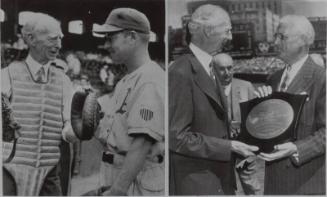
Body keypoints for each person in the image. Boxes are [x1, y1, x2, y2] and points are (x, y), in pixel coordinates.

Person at [169, 4, 258, 195]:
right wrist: (228, 147)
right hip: (197, 185)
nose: (231, 37)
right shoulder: (180, 72)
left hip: (219, 181)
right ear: (208, 31)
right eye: (227, 31)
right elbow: (177, 138)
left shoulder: (209, 67)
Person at [1, 13, 77, 195]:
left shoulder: (64, 81)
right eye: (52, 39)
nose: (58, 45)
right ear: (31, 39)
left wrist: (76, 129)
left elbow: (69, 128)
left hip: (49, 172)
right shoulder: (7, 75)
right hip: (9, 170)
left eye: (60, 39)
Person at [92, 8, 165, 196]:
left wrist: (117, 190)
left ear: (132, 37)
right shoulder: (127, 79)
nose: (106, 44)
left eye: (111, 38)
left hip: (137, 180)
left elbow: (142, 143)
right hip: (119, 171)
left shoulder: (150, 79)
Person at [255, 15, 325, 195]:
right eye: (276, 36)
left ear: (303, 41)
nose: (275, 42)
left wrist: (296, 148)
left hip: (305, 184)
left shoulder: (321, 79)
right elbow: (268, 129)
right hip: (274, 184)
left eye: (282, 37)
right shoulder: (273, 78)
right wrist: (258, 109)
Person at [212, 53, 262, 195]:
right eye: (222, 69)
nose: (227, 73)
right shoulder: (209, 89)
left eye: (230, 68)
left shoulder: (246, 86)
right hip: (221, 148)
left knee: (252, 186)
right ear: (213, 69)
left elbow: (255, 117)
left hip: (244, 147)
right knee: (225, 187)